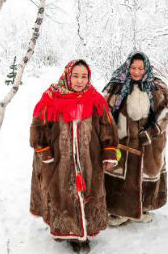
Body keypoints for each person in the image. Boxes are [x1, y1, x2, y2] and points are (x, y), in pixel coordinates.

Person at [30, 59, 119, 253]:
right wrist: (43, 150)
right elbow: (38, 126)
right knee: (61, 194)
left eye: (84, 76)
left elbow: (108, 127)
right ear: (67, 76)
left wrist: (109, 152)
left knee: (87, 193)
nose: (80, 81)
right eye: (76, 76)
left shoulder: (95, 98)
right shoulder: (51, 97)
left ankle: (81, 237)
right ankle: (63, 229)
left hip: (90, 159)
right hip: (59, 159)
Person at [102, 52, 168, 226]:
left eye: (140, 68)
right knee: (121, 174)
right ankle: (119, 212)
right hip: (122, 142)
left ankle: (143, 207)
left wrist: (152, 131)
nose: (136, 72)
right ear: (128, 66)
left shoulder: (158, 87)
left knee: (144, 173)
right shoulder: (115, 86)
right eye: (133, 67)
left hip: (149, 144)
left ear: (146, 67)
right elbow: (102, 111)